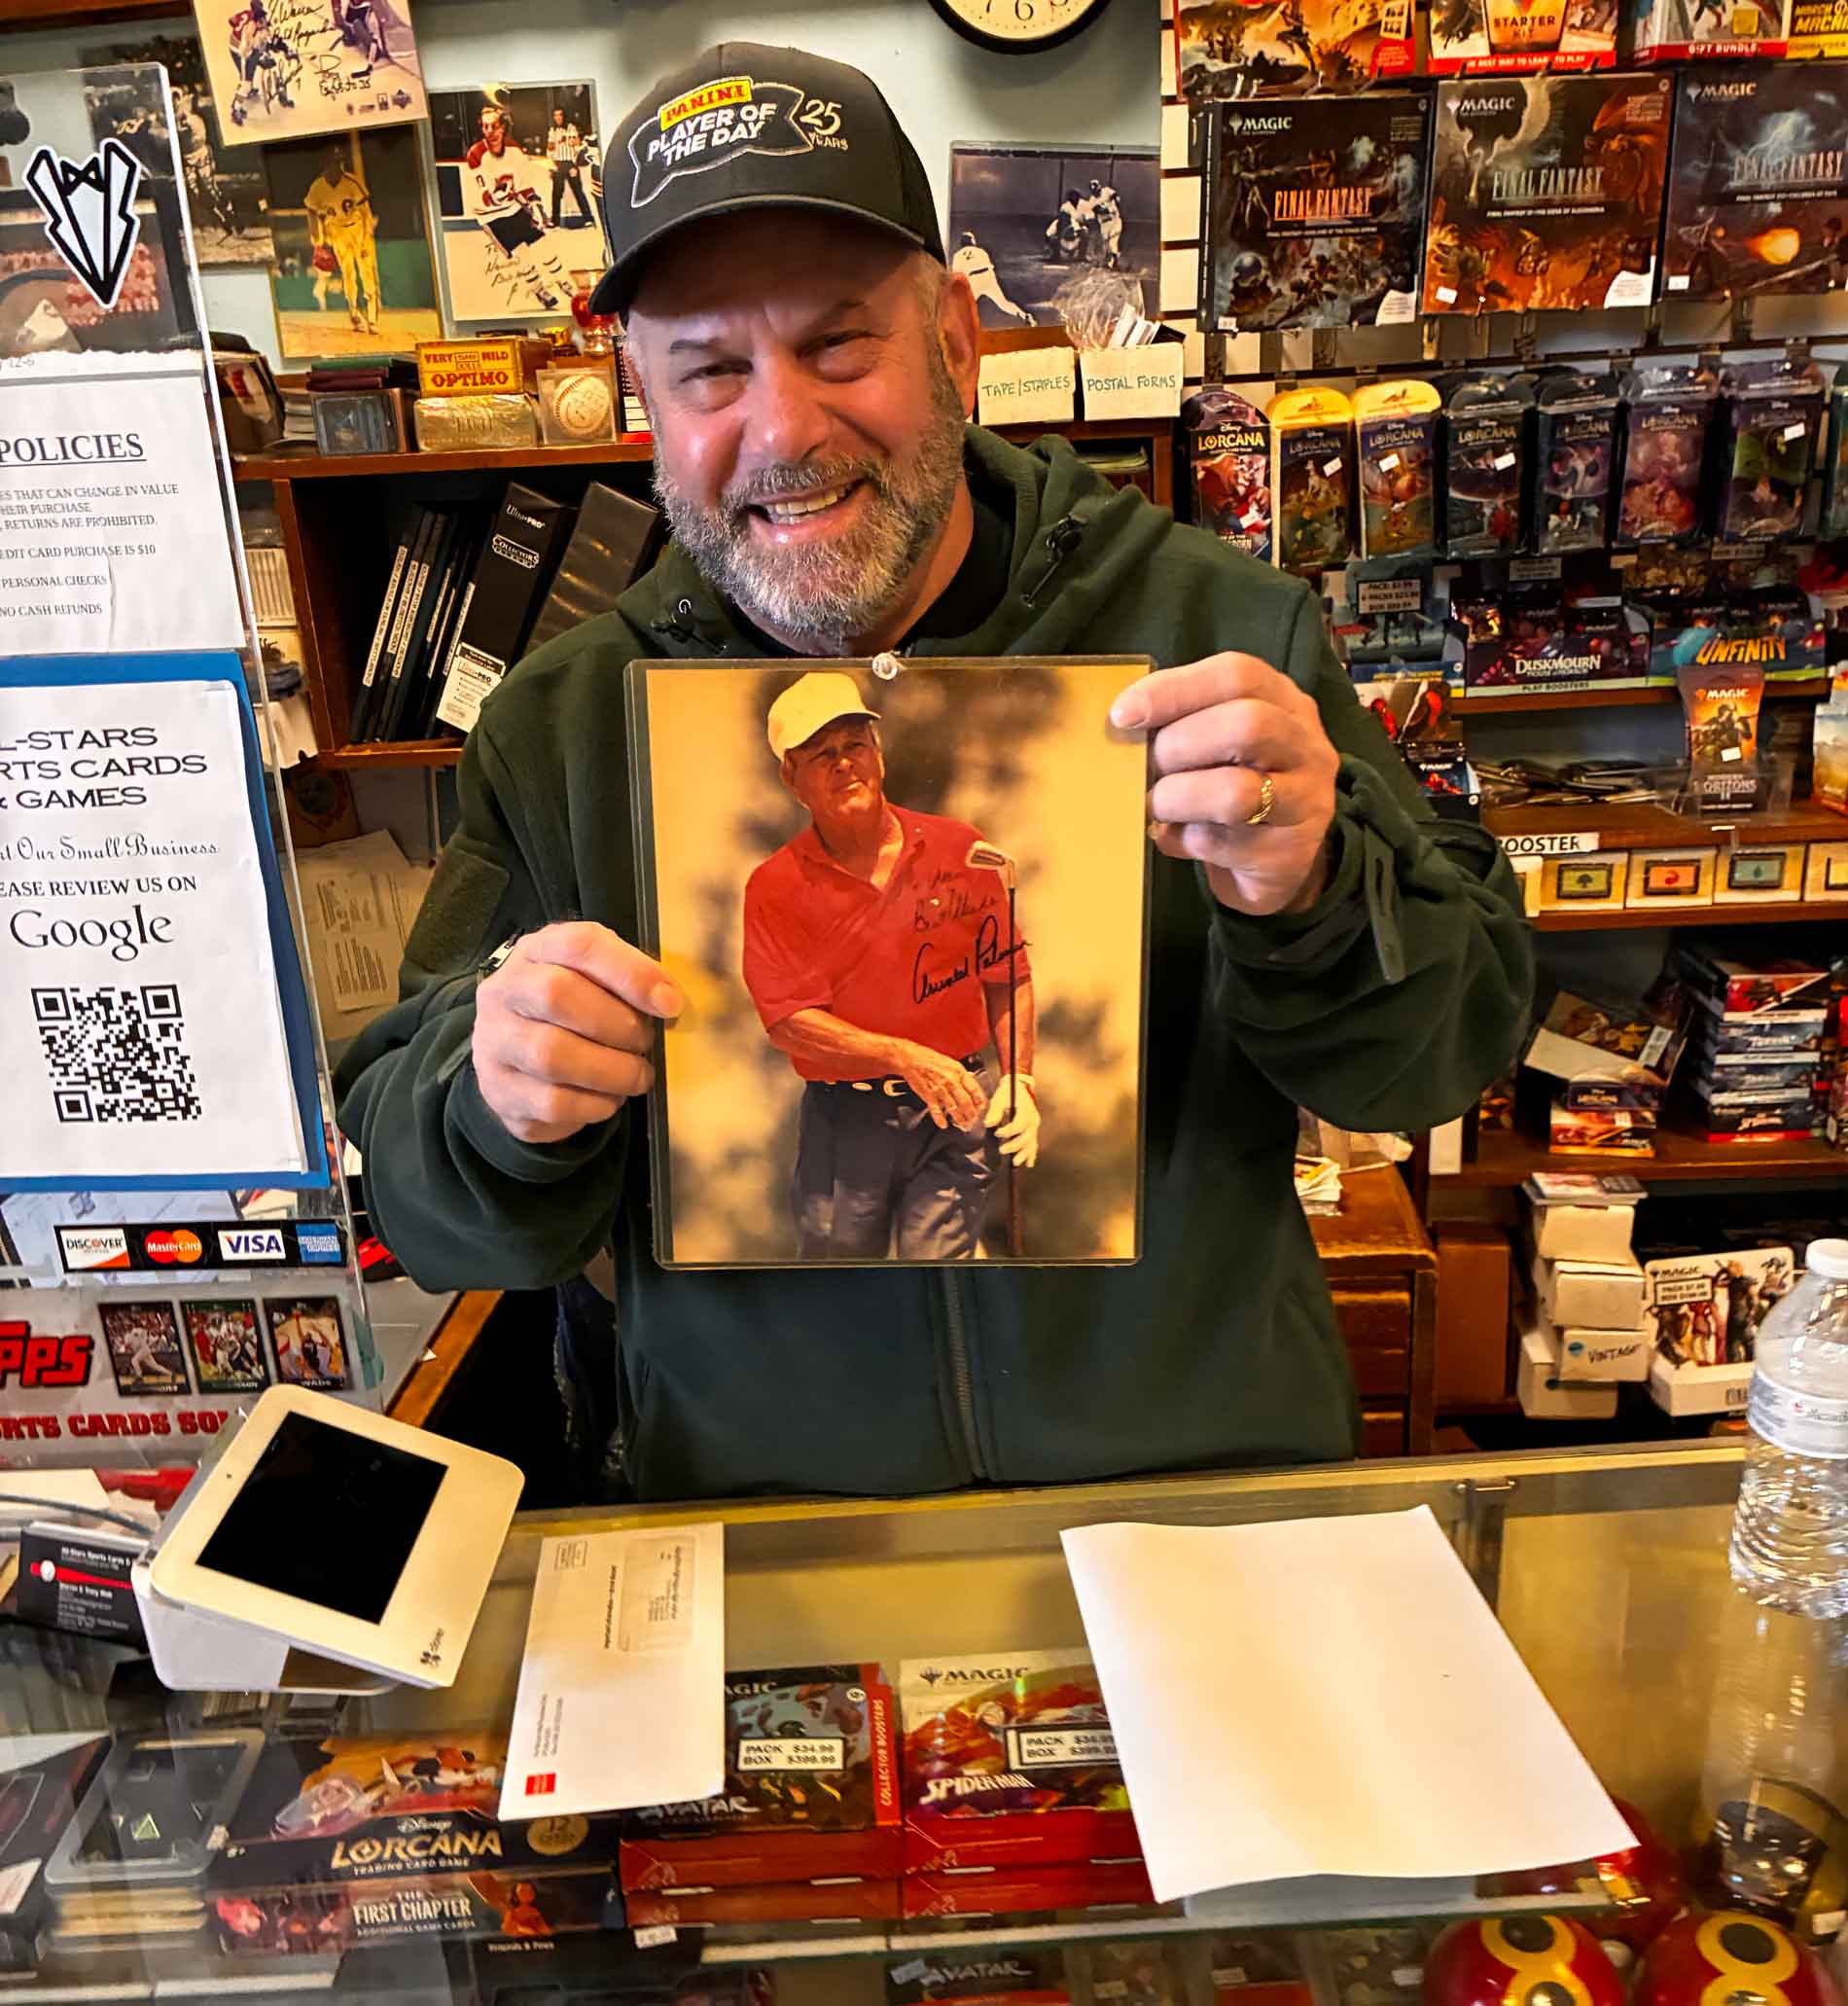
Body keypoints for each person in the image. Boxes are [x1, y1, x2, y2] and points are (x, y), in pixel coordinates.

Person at [337, 42, 1532, 1503]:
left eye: (840, 347)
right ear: (642, 398)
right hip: (766, 1535)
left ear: (957, 343)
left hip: (1200, 1507)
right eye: (712, 369)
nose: (781, 429)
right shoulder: (562, 727)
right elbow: (439, 1211)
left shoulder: (1219, 633)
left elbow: (1444, 1054)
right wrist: (494, 1099)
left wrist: (1320, 888)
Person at [742, 671, 1037, 1261]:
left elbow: (1007, 975)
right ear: (791, 778)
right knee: (842, 1288)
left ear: (878, 755)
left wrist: (1020, 1079)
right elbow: (789, 1020)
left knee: (941, 1283)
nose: (844, 764)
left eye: (855, 745)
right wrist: (903, 1055)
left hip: (957, 1106)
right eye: (821, 754)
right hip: (846, 1118)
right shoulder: (775, 885)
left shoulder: (962, 849)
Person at [465, 103, 568, 310]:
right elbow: (486, 197)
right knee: (522, 255)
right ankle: (540, 290)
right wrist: (500, 194)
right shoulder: (476, 154)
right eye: (485, 127)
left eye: (494, 126)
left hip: (513, 209)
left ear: (503, 127)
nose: (490, 132)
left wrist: (535, 203)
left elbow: (524, 184)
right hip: (491, 217)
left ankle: (564, 282)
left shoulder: (514, 151)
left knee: (543, 245)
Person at [303, 140, 379, 336]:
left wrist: (366, 238)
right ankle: (354, 315)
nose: (337, 166)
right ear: (325, 165)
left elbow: (366, 213)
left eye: (339, 162)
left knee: (367, 273)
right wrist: (317, 239)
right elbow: (311, 210)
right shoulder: (317, 187)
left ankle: (372, 320)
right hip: (337, 231)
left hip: (358, 229)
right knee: (348, 275)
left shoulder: (351, 181)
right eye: (333, 162)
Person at [951, 229, 1033, 326]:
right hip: (989, 277)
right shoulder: (981, 251)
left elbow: (957, 276)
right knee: (1004, 303)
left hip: (974, 280)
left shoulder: (957, 255)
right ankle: (1024, 316)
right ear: (972, 241)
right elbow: (989, 266)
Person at [546, 107, 590, 229]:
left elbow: (577, 147)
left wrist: (574, 165)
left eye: (560, 115)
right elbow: (550, 150)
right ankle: (555, 222)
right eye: (555, 115)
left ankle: (588, 218)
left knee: (578, 191)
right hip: (558, 164)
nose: (558, 117)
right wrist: (551, 167)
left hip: (570, 163)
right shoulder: (552, 131)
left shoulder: (571, 128)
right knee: (556, 194)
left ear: (564, 116)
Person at [1088, 177, 1123, 269]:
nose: (1097, 192)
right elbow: (1100, 211)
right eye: (1094, 191)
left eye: (1097, 190)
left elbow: (1116, 196)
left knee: (1113, 241)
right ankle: (1111, 258)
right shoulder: (1092, 201)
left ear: (1100, 187)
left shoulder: (1106, 190)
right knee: (1106, 244)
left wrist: (1116, 199)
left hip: (1115, 220)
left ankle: (1113, 259)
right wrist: (1111, 208)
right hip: (1104, 224)